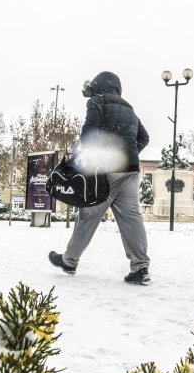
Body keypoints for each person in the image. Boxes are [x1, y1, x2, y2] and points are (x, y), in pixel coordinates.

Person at [48, 71, 152, 284]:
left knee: (88, 213)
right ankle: (140, 267)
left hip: (106, 168)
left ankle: (69, 260)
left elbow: (88, 135)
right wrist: (128, 152)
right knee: (132, 217)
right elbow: (144, 137)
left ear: (100, 87)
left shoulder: (97, 101)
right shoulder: (129, 108)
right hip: (130, 169)